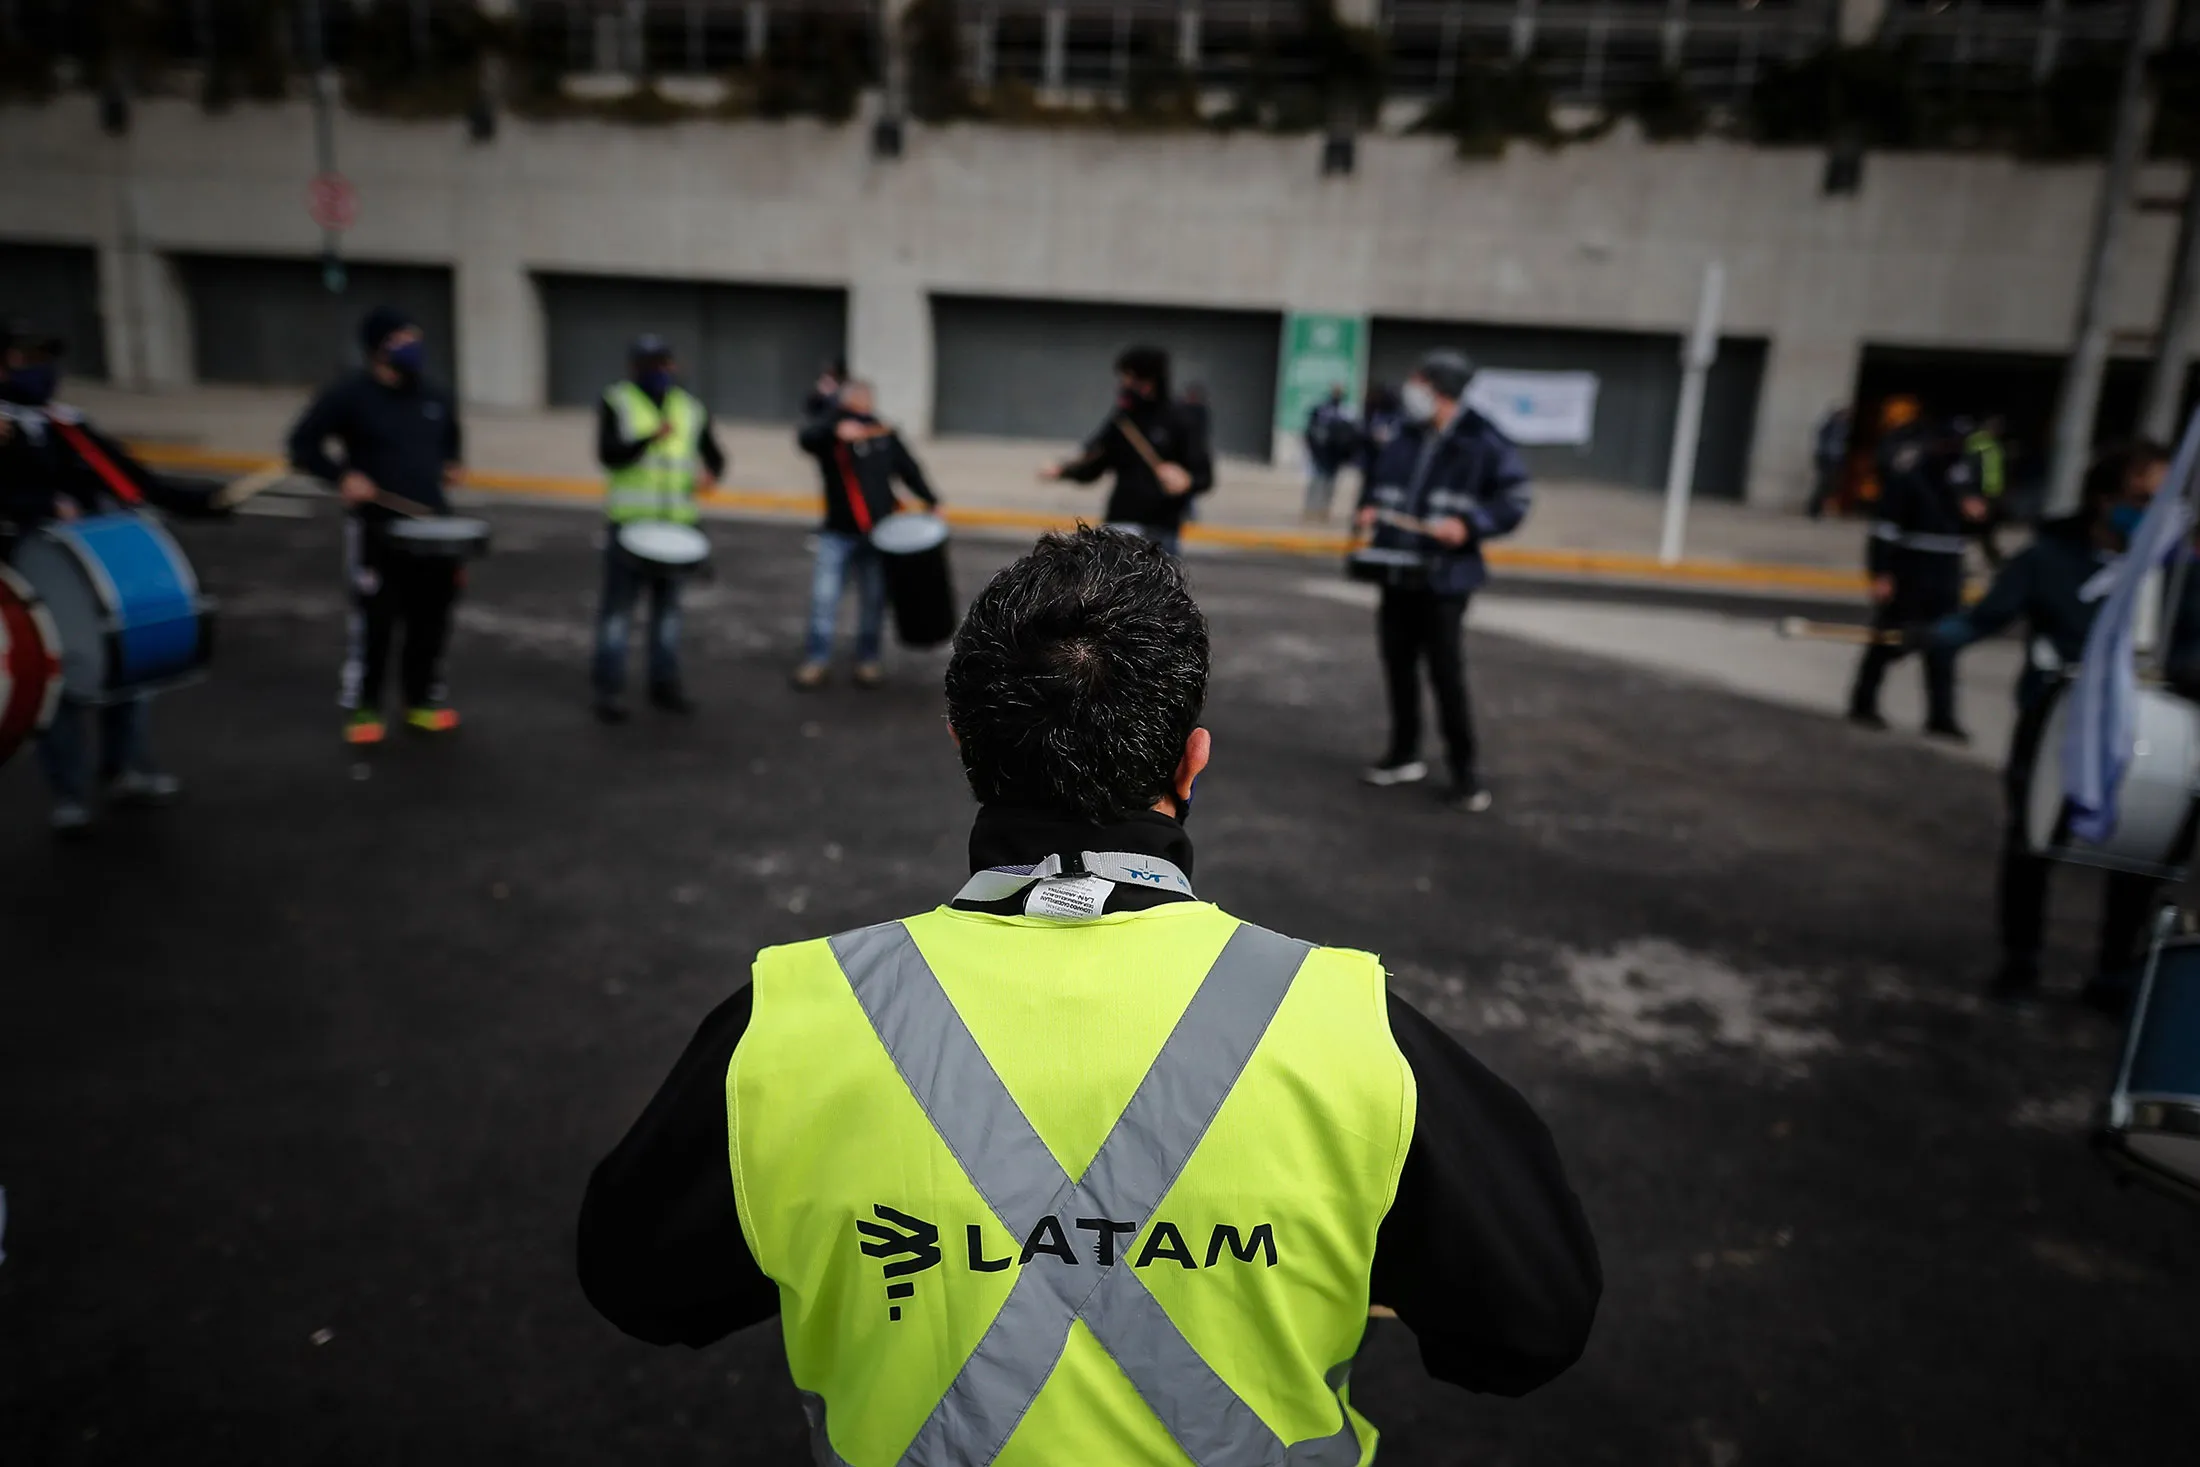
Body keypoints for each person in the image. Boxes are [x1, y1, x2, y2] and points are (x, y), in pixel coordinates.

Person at [577, 527, 1600, 1464]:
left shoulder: (791, 1020)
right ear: (1191, 758)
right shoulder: (1352, 1029)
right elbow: (1526, 1331)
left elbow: (643, 1287)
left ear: (961, 743)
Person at [1925, 441, 2177, 1008]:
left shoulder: (2175, 571)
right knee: (2032, 843)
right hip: (2054, 724)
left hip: (2143, 734)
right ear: (2103, 498)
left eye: (2164, 500)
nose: (2152, 512)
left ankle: (2113, 971)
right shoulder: (2047, 558)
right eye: (2140, 499)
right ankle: (2022, 961)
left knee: (2138, 853)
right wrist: (1941, 637)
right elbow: (1987, 617)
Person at [0, 320, 179, 834]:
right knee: (61, 683)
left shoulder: (65, 424)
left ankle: (123, 770)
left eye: (45, 359)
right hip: (30, 578)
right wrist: (39, 506)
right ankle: (69, 794)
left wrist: (201, 503)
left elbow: (129, 476)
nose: (40, 371)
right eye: (25, 359)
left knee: (125, 667)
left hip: (92, 569)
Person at [1353, 350, 1532, 813]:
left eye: (1419, 382)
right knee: (1397, 666)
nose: (1411, 390)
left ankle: (1464, 771)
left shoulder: (1483, 441)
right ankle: (1404, 753)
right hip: (1397, 569)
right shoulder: (1404, 434)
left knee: (1446, 675)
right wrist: (1370, 510)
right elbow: (1377, 484)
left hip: (1445, 579)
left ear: (1440, 390)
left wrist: (1470, 525)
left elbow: (1515, 498)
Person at [287, 307, 466, 745]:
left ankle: (420, 701)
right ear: (377, 347)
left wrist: (452, 463)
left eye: (416, 337)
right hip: (377, 528)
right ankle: (366, 706)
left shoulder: (435, 395)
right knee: (378, 621)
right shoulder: (350, 395)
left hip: (431, 527)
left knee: (432, 619)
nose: (414, 347)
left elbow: (452, 439)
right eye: (403, 338)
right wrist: (342, 477)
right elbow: (302, 444)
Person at [591, 335, 726, 723]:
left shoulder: (690, 409)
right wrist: (649, 438)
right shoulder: (616, 400)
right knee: (617, 613)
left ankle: (664, 686)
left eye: (664, 364)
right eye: (650, 365)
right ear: (634, 368)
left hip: (676, 530)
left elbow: (715, 456)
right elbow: (609, 455)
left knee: (668, 614)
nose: (658, 372)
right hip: (630, 527)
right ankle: (608, 691)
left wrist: (711, 474)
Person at [1845, 396, 1983, 741]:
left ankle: (1941, 716)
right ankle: (1864, 702)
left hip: (1947, 571)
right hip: (1911, 569)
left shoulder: (1964, 480)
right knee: (1889, 640)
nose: (1955, 449)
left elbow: (1982, 525)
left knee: (1944, 646)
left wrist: (1980, 514)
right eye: (1950, 442)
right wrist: (1881, 572)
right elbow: (1885, 529)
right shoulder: (1910, 477)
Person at [792, 377, 939, 689]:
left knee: (873, 601)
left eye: (867, 397)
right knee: (824, 599)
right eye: (857, 397)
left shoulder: (882, 433)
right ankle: (817, 660)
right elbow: (806, 438)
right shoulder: (832, 435)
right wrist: (834, 429)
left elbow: (909, 468)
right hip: (838, 533)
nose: (864, 402)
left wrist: (931, 499)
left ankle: (867, 660)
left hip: (878, 533)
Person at [1041, 345, 1213, 556]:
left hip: (1162, 527)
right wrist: (1064, 471)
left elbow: (1204, 476)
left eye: (1130, 378)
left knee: (1158, 586)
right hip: (1122, 521)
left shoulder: (1180, 419)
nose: (1124, 384)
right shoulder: (1123, 420)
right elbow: (1095, 464)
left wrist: (1186, 481)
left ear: (1148, 381)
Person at [1302, 383, 1360, 522]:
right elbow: (1310, 430)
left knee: (1330, 483)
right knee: (1317, 481)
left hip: (1335, 456)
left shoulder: (1346, 412)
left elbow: (1352, 435)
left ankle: (1323, 509)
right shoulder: (1322, 410)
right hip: (1320, 453)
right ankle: (1310, 509)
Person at [1963, 414, 2010, 566]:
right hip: (1980, 491)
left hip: (1992, 490)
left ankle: (1990, 555)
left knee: (1988, 525)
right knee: (1982, 524)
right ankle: (1991, 556)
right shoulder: (1977, 442)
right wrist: (1973, 492)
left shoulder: (1994, 443)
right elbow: (1970, 468)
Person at [1806, 403, 1851, 519]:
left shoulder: (1844, 428)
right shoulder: (1829, 426)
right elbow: (1822, 443)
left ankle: (1821, 510)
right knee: (1822, 485)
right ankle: (1814, 510)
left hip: (1835, 460)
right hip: (1826, 459)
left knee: (1830, 487)